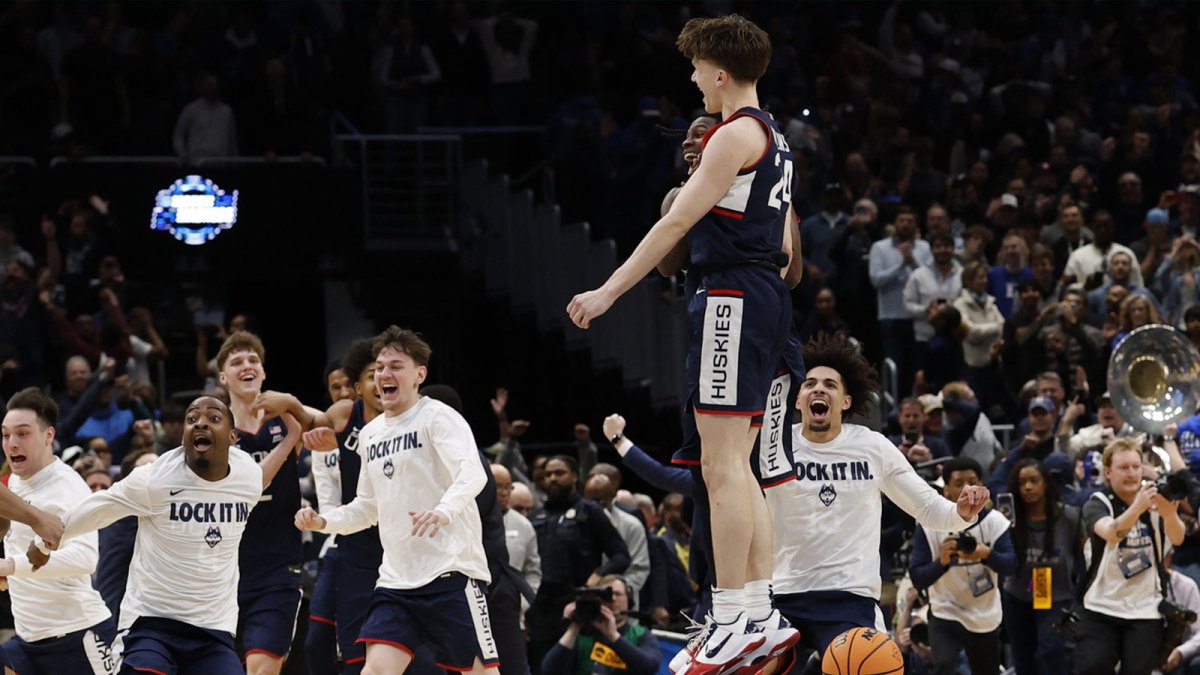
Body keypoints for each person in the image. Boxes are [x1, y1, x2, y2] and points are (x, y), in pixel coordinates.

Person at [566, 14, 800, 671]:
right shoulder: (776, 137)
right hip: (762, 297)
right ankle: (759, 612)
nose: (693, 80)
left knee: (719, 468)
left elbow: (674, 223)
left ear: (720, 72)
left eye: (697, 69)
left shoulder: (733, 135)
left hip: (730, 298)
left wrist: (608, 290)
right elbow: (785, 246)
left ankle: (728, 618)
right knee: (741, 466)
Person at [768, 336, 990, 663]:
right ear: (798, 398)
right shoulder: (774, 445)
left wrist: (962, 512)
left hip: (849, 597)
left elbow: (928, 508)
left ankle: (824, 663)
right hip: (783, 595)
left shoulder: (872, 446)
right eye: (809, 383)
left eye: (830, 384)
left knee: (874, 665)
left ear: (845, 400)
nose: (818, 389)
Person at [294, 326, 499, 675]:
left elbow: (474, 474)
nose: (384, 375)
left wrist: (443, 511)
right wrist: (324, 521)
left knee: (480, 673)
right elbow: (367, 507)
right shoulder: (371, 434)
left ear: (420, 374)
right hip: (395, 582)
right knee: (374, 671)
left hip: (450, 572)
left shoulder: (438, 417)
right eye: (379, 368)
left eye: (395, 366)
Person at [37, 395, 263, 674]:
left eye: (213, 419)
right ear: (183, 437)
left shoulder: (250, 479)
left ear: (232, 437)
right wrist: (45, 541)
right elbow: (100, 507)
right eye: (191, 420)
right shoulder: (156, 478)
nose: (200, 423)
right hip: (151, 622)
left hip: (213, 628)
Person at [0, 388, 115, 674]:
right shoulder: (14, 480)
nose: (12, 443)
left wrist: (12, 566)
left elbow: (85, 559)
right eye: (5, 434)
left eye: (23, 433)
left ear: (49, 436)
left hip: (76, 635)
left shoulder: (67, 487)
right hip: (27, 640)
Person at [214, 331, 303, 675]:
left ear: (263, 372)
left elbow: (330, 425)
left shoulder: (285, 418)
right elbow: (249, 484)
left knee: (262, 667)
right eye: (237, 362)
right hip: (224, 572)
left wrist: (293, 406)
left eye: (253, 360)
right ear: (223, 377)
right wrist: (291, 440)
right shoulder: (214, 428)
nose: (247, 366)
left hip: (279, 569)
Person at [1075, 438, 1186, 675]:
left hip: (1145, 608)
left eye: (1136, 467)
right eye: (1124, 468)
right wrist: (1137, 507)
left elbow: (1178, 538)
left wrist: (1169, 515)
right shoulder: (1098, 503)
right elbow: (1111, 533)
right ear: (1108, 472)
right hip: (1101, 605)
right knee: (1092, 667)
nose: (1131, 473)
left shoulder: (1156, 502)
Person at [910, 457, 1016, 675]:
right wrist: (942, 563)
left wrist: (987, 554)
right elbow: (917, 577)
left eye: (972, 482)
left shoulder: (995, 521)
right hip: (946, 610)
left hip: (985, 615)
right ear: (946, 490)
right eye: (959, 483)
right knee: (943, 666)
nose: (967, 489)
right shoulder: (929, 524)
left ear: (983, 488)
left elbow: (1011, 566)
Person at [1001, 458, 1083, 675]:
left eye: (1034, 481)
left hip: (1058, 597)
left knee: (1051, 652)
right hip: (1017, 598)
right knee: (1023, 659)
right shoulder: (1008, 519)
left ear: (1045, 483)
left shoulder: (1070, 516)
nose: (1028, 487)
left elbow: (1085, 556)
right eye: (1022, 483)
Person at [541, 575, 661, 675]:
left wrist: (613, 636)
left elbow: (649, 667)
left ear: (628, 600)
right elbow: (549, 671)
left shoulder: (640, 634)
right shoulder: (581, 635)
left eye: (618, 594)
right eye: (606, 595)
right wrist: (573, 628)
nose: (613, 599)